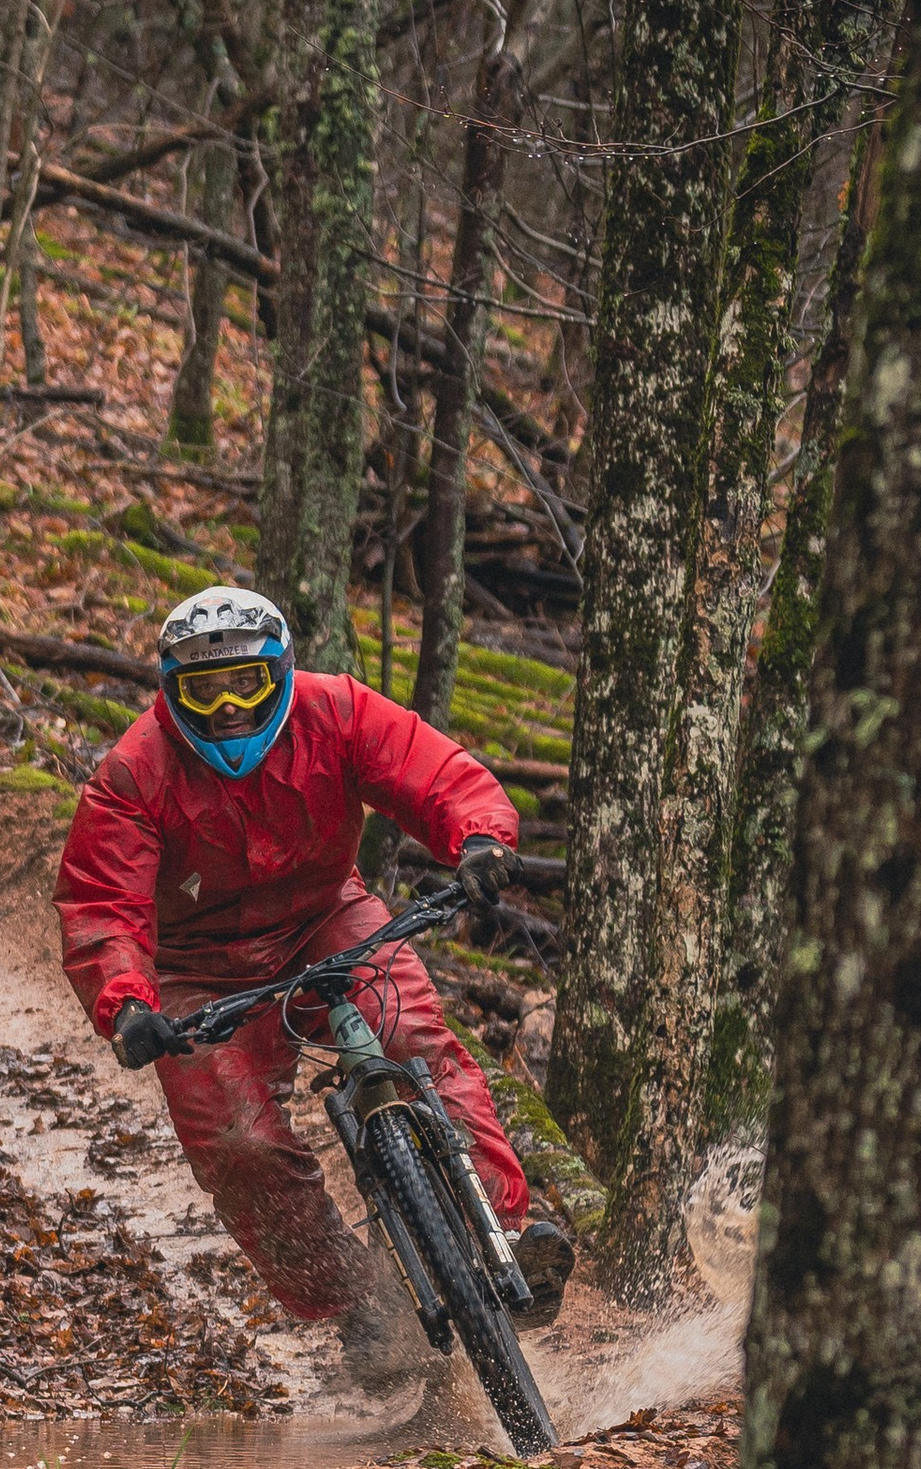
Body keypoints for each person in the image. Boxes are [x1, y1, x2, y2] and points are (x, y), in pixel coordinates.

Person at [53, 584, 574, 1383]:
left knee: (415, 1042)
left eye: (247, 685)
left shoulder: (336, 712)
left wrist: (479, 839)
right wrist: (127, 1004)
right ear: (171, 692)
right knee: (237, 1140)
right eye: (204, 690)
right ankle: (356, 1306)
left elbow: (429, 770)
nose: (228, 709)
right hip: (199, 969)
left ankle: (501, 1231)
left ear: (283, 673)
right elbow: (103, 901)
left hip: (326, 917)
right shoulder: (135, 771)